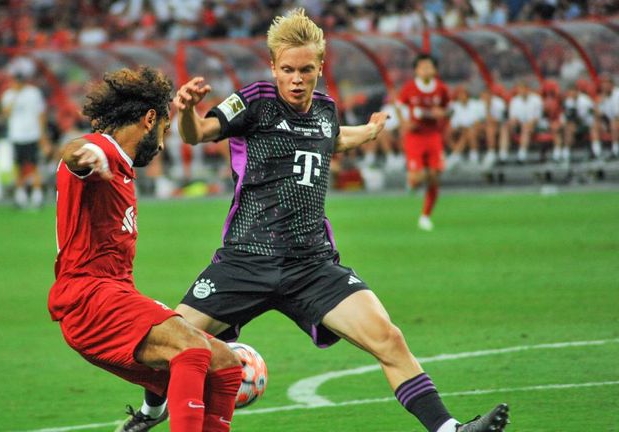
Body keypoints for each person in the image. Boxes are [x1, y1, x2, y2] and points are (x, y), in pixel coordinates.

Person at [117, 9, 509, 432]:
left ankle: (451, 430)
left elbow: (331, 140)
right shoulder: (254, 102)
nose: (297, 78)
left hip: (311, 265)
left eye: (306, 69)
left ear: (320, 68)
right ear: (273, 67)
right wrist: (190, 111)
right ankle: (150, 414)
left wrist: (369, 132)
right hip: (246, 260)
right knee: (171, 341)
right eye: (288, 69)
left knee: (389, 338)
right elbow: (199, 134)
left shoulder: (325, 110)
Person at [49, 66, 242, 432]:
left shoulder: (123, 169)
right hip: (88, 298)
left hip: (113, 296)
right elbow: (74, 151)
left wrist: (153, 408)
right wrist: (88, 154)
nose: (164, 143)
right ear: (150, 118)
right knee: (191, 348)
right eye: (165, 130)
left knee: (226, 364)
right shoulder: (104, 150)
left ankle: (154, 412)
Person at [398, 53, 451, 232]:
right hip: (415, 137)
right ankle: (412, 182)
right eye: (422, 67)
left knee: (435, 176)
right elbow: (399, 105)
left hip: (433, 136)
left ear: (435, 70)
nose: (426, 70)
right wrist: (405, 124)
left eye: (429, 66)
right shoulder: (410, 88)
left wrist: (442, 114)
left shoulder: (441, 89)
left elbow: (448, 110)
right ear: (416, 70)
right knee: (418, 177)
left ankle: (425, 216)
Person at [0, 61, 51, 209]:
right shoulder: (8, 95)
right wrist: (14, 96)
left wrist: (42, 135)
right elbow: (5, 114)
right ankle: (20, 195)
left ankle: (37, 195)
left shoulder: (33, 93)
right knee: (18, 167)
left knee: (34, 166)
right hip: (17, 135)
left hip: (32, 134)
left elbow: (41, 114)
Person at [506, 80, 543, 163]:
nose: (521, 91)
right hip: (519, 124)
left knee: (526, 127)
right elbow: (513, 118)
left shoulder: (536, 99)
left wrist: (526, 124)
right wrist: (518, 123)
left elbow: (537, 118)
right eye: (519, 89)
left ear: (527, 89)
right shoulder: (514, 100)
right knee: (505, 127)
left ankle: (522, 155)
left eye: (523, 89)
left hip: (534, 125)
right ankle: (503, 155)